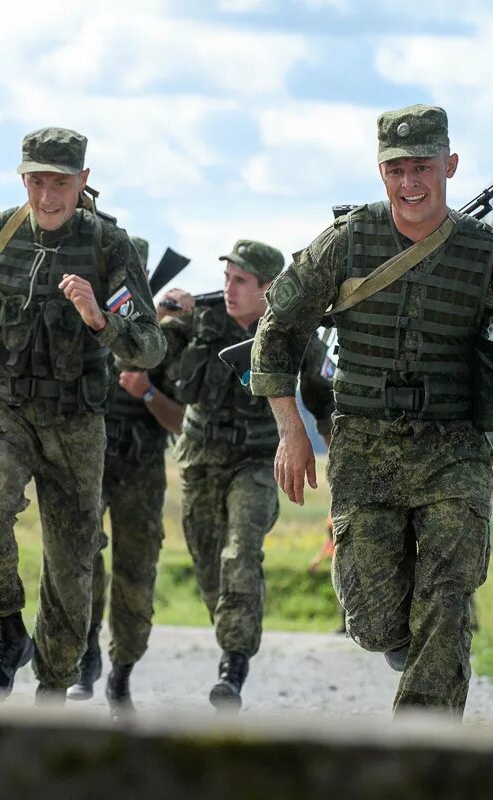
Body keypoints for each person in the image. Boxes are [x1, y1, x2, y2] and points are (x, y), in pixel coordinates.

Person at [251, 104, 493, 717]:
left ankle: (424, 755)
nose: (411, 184)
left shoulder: (488, 256)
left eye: (423, 168)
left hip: (452, 453)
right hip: (364, 451)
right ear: (381, 173)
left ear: (450, 166)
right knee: (374, 619)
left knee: (447, 596)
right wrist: (290, 429)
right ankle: (410, 645)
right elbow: (276, 328)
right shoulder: (346, 243)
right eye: (397, 169)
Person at [0, 127, 165, 703]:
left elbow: (150, 347)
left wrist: (101, 319)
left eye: (59, 183)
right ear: (21, 179)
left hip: (76, 419)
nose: (48, 197)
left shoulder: (108, 247)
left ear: (83, 181)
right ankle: (7, 633)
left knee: (72, 567)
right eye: (36, 182)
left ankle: (52, 690)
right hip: (3, 406)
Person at [158, 240, 333, 712]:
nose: (229, 289)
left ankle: (232, 667)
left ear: (268, 288)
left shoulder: (294, 331)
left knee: (241, 551)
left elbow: (323, 399)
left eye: (240, 280)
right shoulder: (199, 320)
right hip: (199, 456)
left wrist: (342, 460)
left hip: (258, 459)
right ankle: (231, 632)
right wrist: (164, 313)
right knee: (210, 564)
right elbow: (146, 355)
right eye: (227, 278)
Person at [66, 236, 183, 716]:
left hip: (140, 470)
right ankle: (87, 651)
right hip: (89, 463)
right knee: (81, 559)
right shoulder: (75, 325)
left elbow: (179, 422)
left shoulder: (165, 335)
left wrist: (147, 391)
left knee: (136, 572)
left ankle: (122, 673)